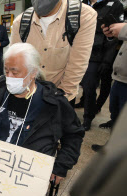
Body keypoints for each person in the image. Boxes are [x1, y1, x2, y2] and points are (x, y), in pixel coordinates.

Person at [0, 43, 84, 186]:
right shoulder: (0, 91)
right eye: (6, 71)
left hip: (28, 174)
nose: (9, 77)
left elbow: (74, 135)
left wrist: (61, 167)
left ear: (33, 72)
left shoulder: (53, 102)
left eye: (15, 72)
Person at [10, 0, 97, 106]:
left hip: (60, 93)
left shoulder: (82, 16)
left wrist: (60, 98)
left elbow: (77, 63)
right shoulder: (21, 22)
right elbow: (14, 63)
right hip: (28, 94)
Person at [75, 0, 124, 131]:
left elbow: (114, 35)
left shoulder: (114, 4)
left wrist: (107, 60)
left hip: (98, 53)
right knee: (74, 83)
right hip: (79, 49)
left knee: (90, 86)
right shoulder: (82, 3)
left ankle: (88, 118)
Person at [92, 21, 127, 151]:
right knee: (116, 114)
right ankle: (113, 146)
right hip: (120, 77)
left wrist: (124, 30)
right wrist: (114, 34)